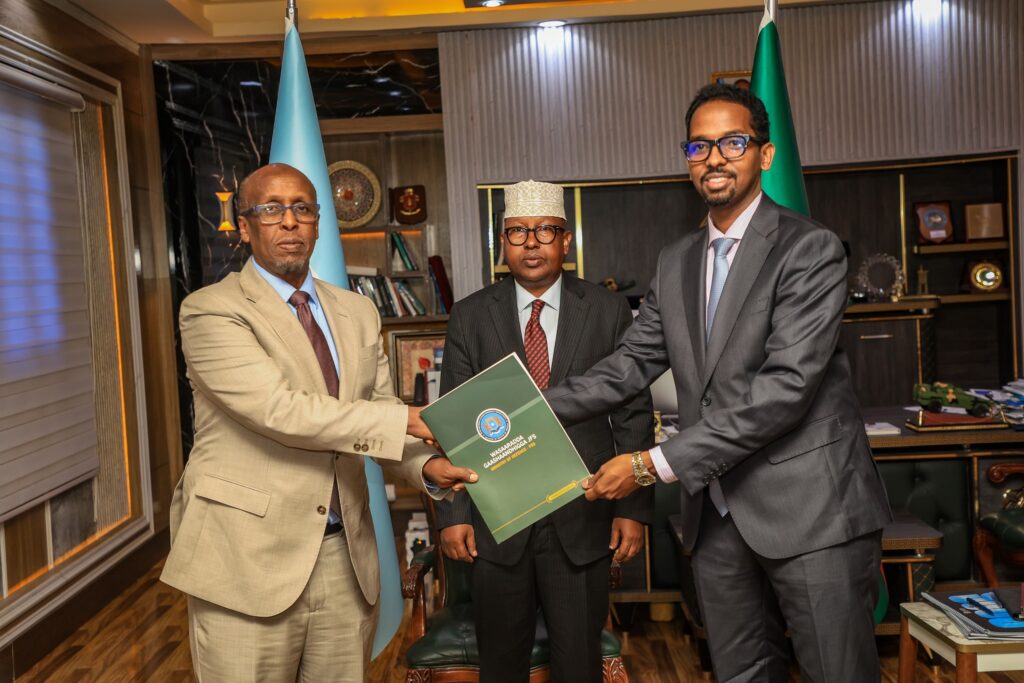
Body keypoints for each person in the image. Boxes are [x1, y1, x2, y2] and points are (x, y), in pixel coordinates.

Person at [543, 85, 893, 682]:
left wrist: (650, 465)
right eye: (699, 146)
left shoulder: (809, 249)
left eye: (732, 143)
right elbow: (629, 364)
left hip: (812, 512)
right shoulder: (675, 260)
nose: (714, 158)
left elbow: (784, 392)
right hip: (718, 516)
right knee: (739, 674)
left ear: (765, 154)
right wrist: (520, 410)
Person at [160, 163, 475, 682]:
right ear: (245, 227)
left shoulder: (357, 311)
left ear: (318, 223)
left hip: (344, 557)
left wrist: (426, 467)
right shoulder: (211, 311)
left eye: (302, 209)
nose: (289, 221)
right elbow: (281, 411)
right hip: (247, 557)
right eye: (271, 209)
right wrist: (412, 419)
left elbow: (374, 410)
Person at [436, 180, 655, 683]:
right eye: (517, 232)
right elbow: (455, 424)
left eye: (545, 231)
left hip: (582, 517)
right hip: (497, 523)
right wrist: (453, 515)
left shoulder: (606, 310)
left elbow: (633, 412)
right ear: (503, 243)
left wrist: (632, 508)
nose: (531, 243)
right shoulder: (470, 315)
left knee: (579, 665)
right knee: (501, 668)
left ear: (566, 240)